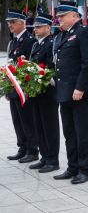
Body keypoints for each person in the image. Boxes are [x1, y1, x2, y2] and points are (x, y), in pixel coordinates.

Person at [53, 1, 88, 184]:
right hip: (65, 93)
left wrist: (80, 87)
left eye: (62, 16)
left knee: (83, 133)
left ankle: (85, 170)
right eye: (59, 16)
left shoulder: (84, 32)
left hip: (80, 93)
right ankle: (72, 167)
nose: (59, 19)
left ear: (74, 16)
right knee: (69, 133)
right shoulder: (63, 36)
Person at [5, 9, 39, 163]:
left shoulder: (30, 40)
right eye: (8, 23)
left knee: (27, 119)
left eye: (12, 22)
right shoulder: (13, 41)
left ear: (21, 23)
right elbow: (10, 65)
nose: (9, 25)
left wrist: (26, 88)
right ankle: (22, 147)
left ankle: (32, 150)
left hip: (23, 89)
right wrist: (7, 88)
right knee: (17, 119)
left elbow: (31, 67)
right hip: (13, 87)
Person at [28, 12, 60, 173]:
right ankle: (44, 157)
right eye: (35, 26)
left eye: (39, 26)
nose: (35, 29)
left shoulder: (52, 44)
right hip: (36, 92)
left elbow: (52, 68)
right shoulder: (35, 45)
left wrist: (39, 74)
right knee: (39, 125)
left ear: (48, 28)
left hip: (48, 92)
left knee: (50, 126)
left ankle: (53, 160)